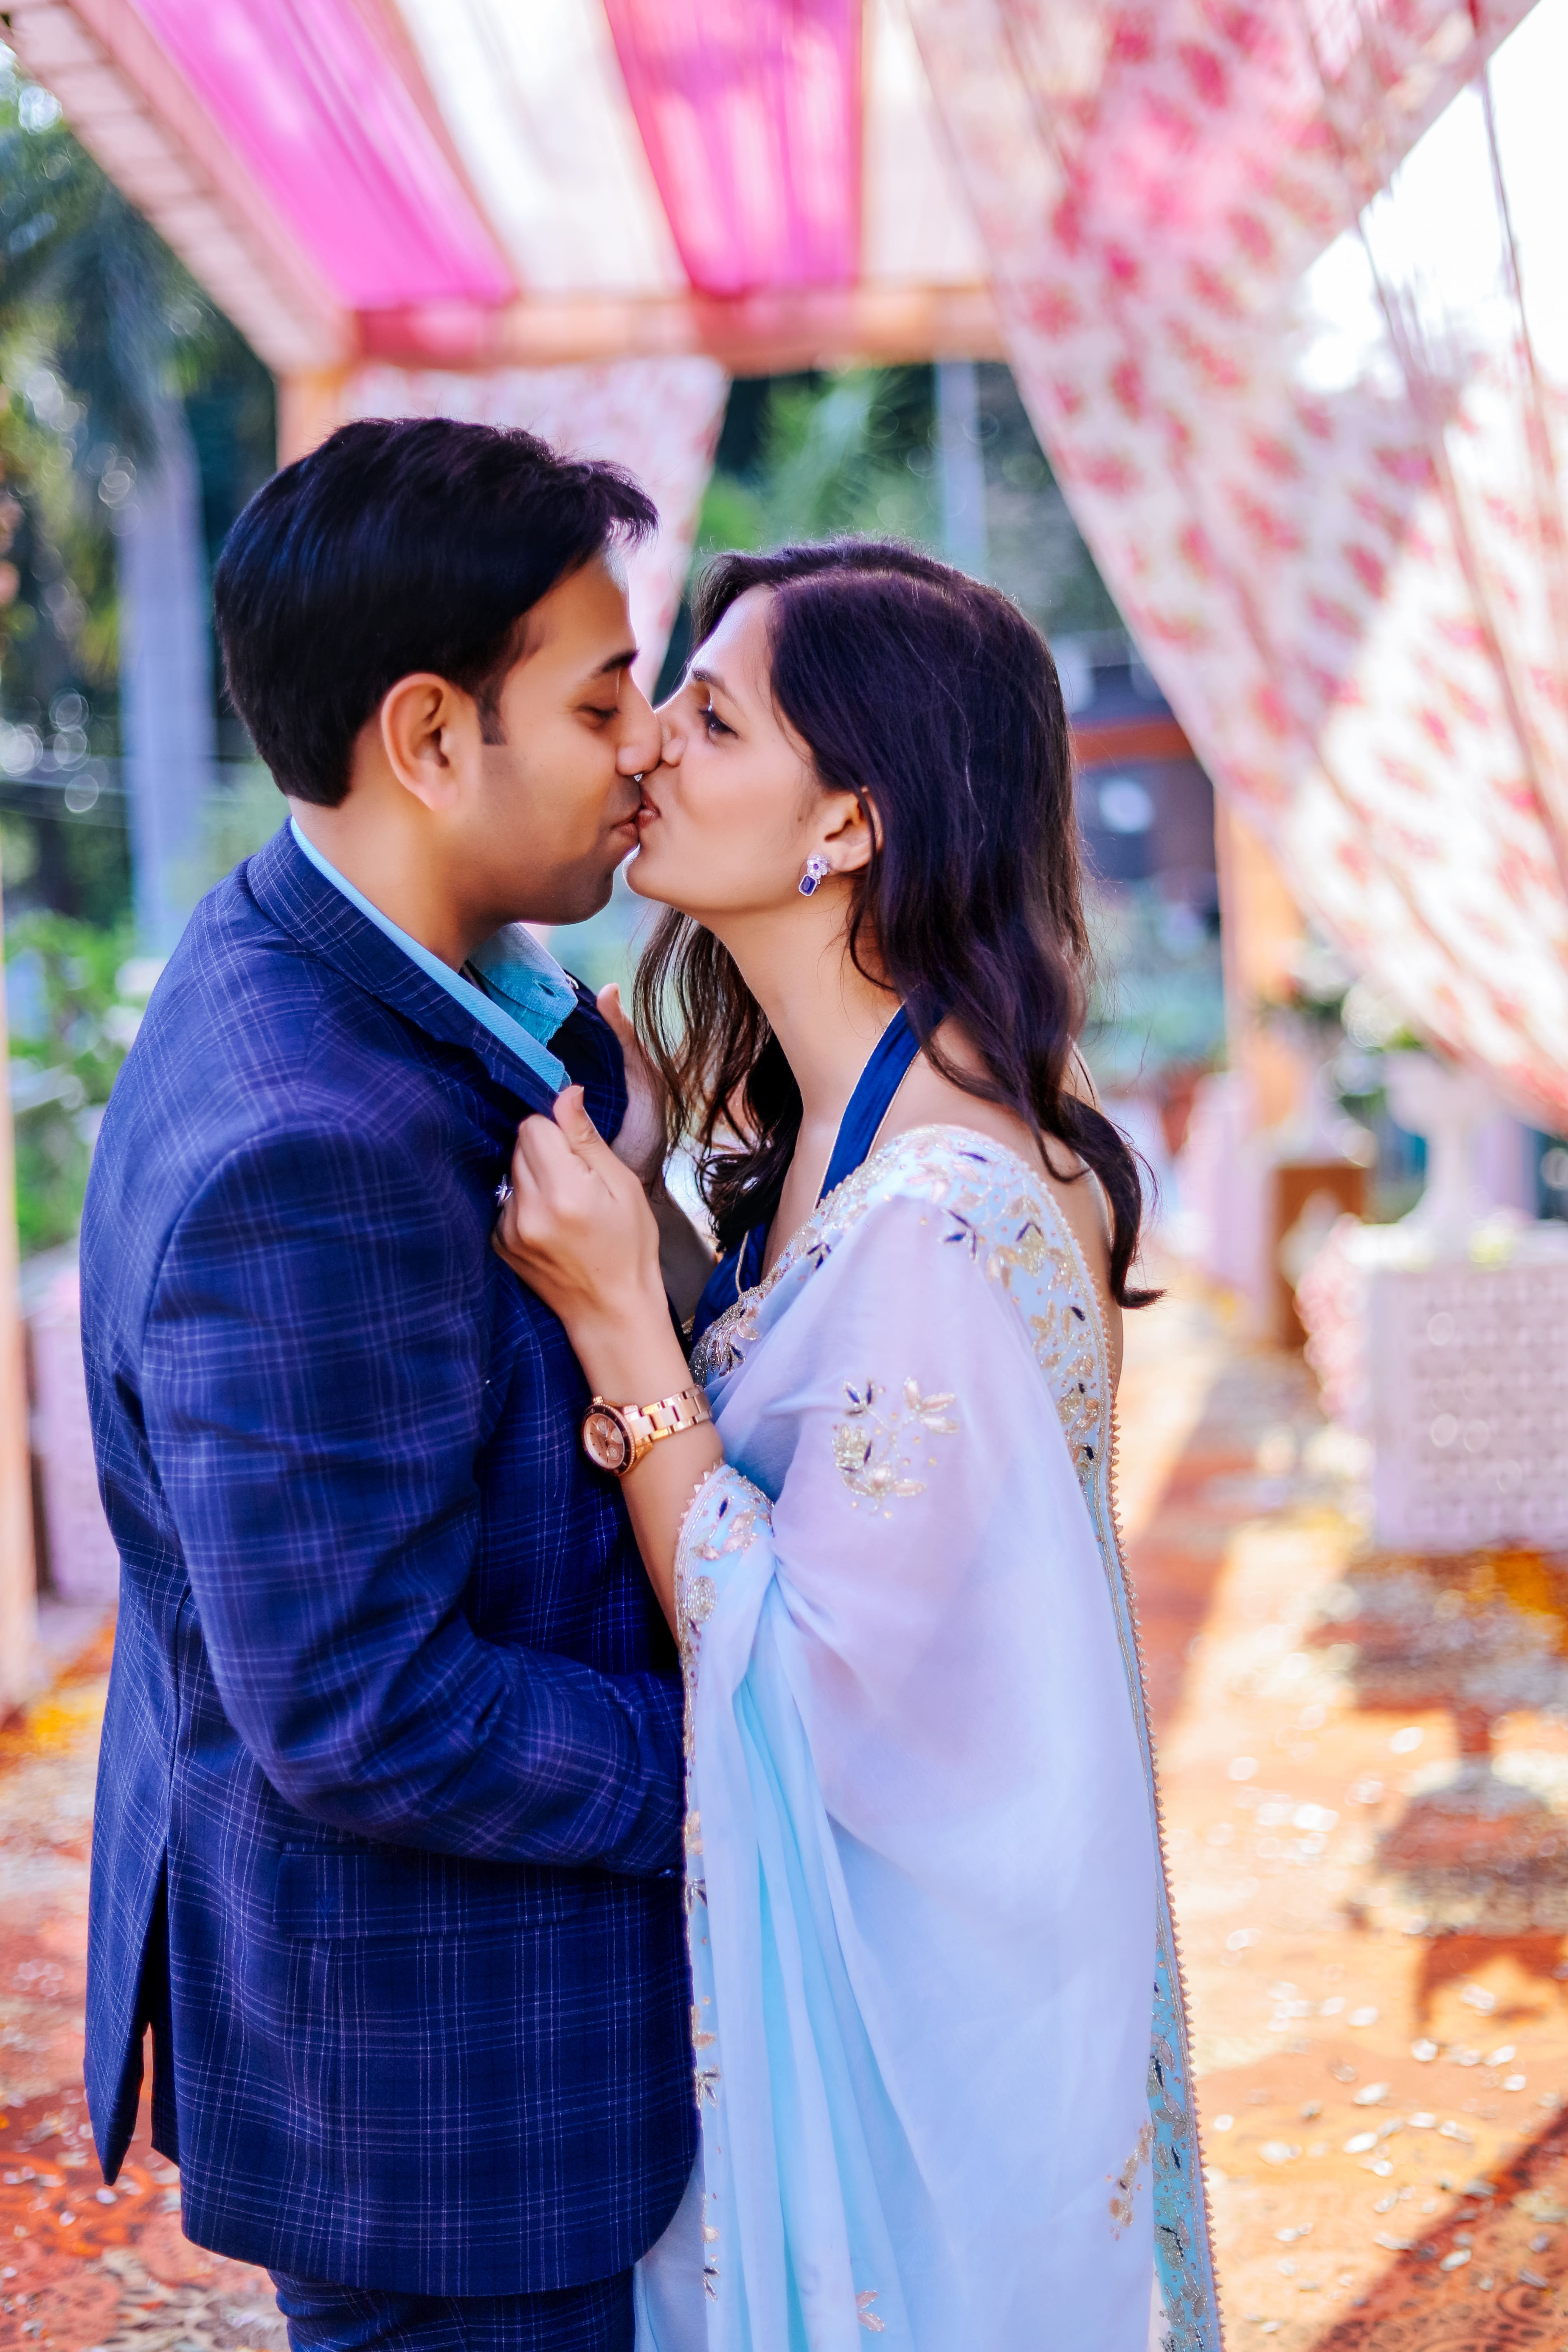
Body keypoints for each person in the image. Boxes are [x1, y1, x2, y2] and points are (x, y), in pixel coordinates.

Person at [494, 541, 1223, 2351]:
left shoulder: (937, 1208)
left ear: (848, 822)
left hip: (933, 2027)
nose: (649, 744)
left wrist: (623, 1328)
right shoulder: (848, 1127)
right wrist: (668, 1233)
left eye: (714, 718)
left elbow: (817, 1684)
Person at [80, 417, 710, 2352]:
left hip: (436, 2023)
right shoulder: (309, 1146)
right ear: (432, 737)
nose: (650, 747)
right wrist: (754, 1760)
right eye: (602, 702)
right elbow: (365, 1704)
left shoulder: (385, 964)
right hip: (447, 2099)